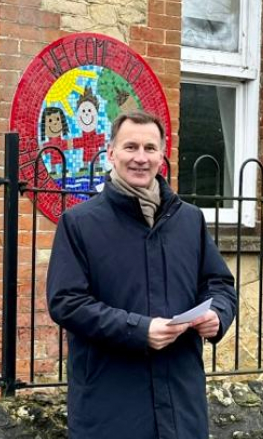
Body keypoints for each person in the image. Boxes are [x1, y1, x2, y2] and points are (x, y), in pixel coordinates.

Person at [47, 110, 237, 439]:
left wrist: (217, 314)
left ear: (162, 155)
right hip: (111, 406)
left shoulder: (189, 220)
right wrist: (140, 330)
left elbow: (219, 283)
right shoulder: (79, 223)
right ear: (111, 154)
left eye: (150, 148)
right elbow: (66, 302)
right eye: (130, 147)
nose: (140, 158)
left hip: (181, 404)